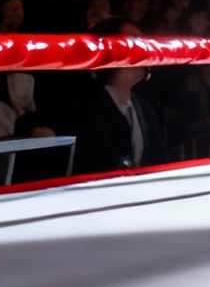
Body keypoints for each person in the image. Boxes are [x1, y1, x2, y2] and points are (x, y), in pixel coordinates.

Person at [52, 17, 166, 175]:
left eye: (141, 44)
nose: (139, 52)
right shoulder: (81, 106)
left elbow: (159, 161)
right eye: (130, 44)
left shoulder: (148, 108)